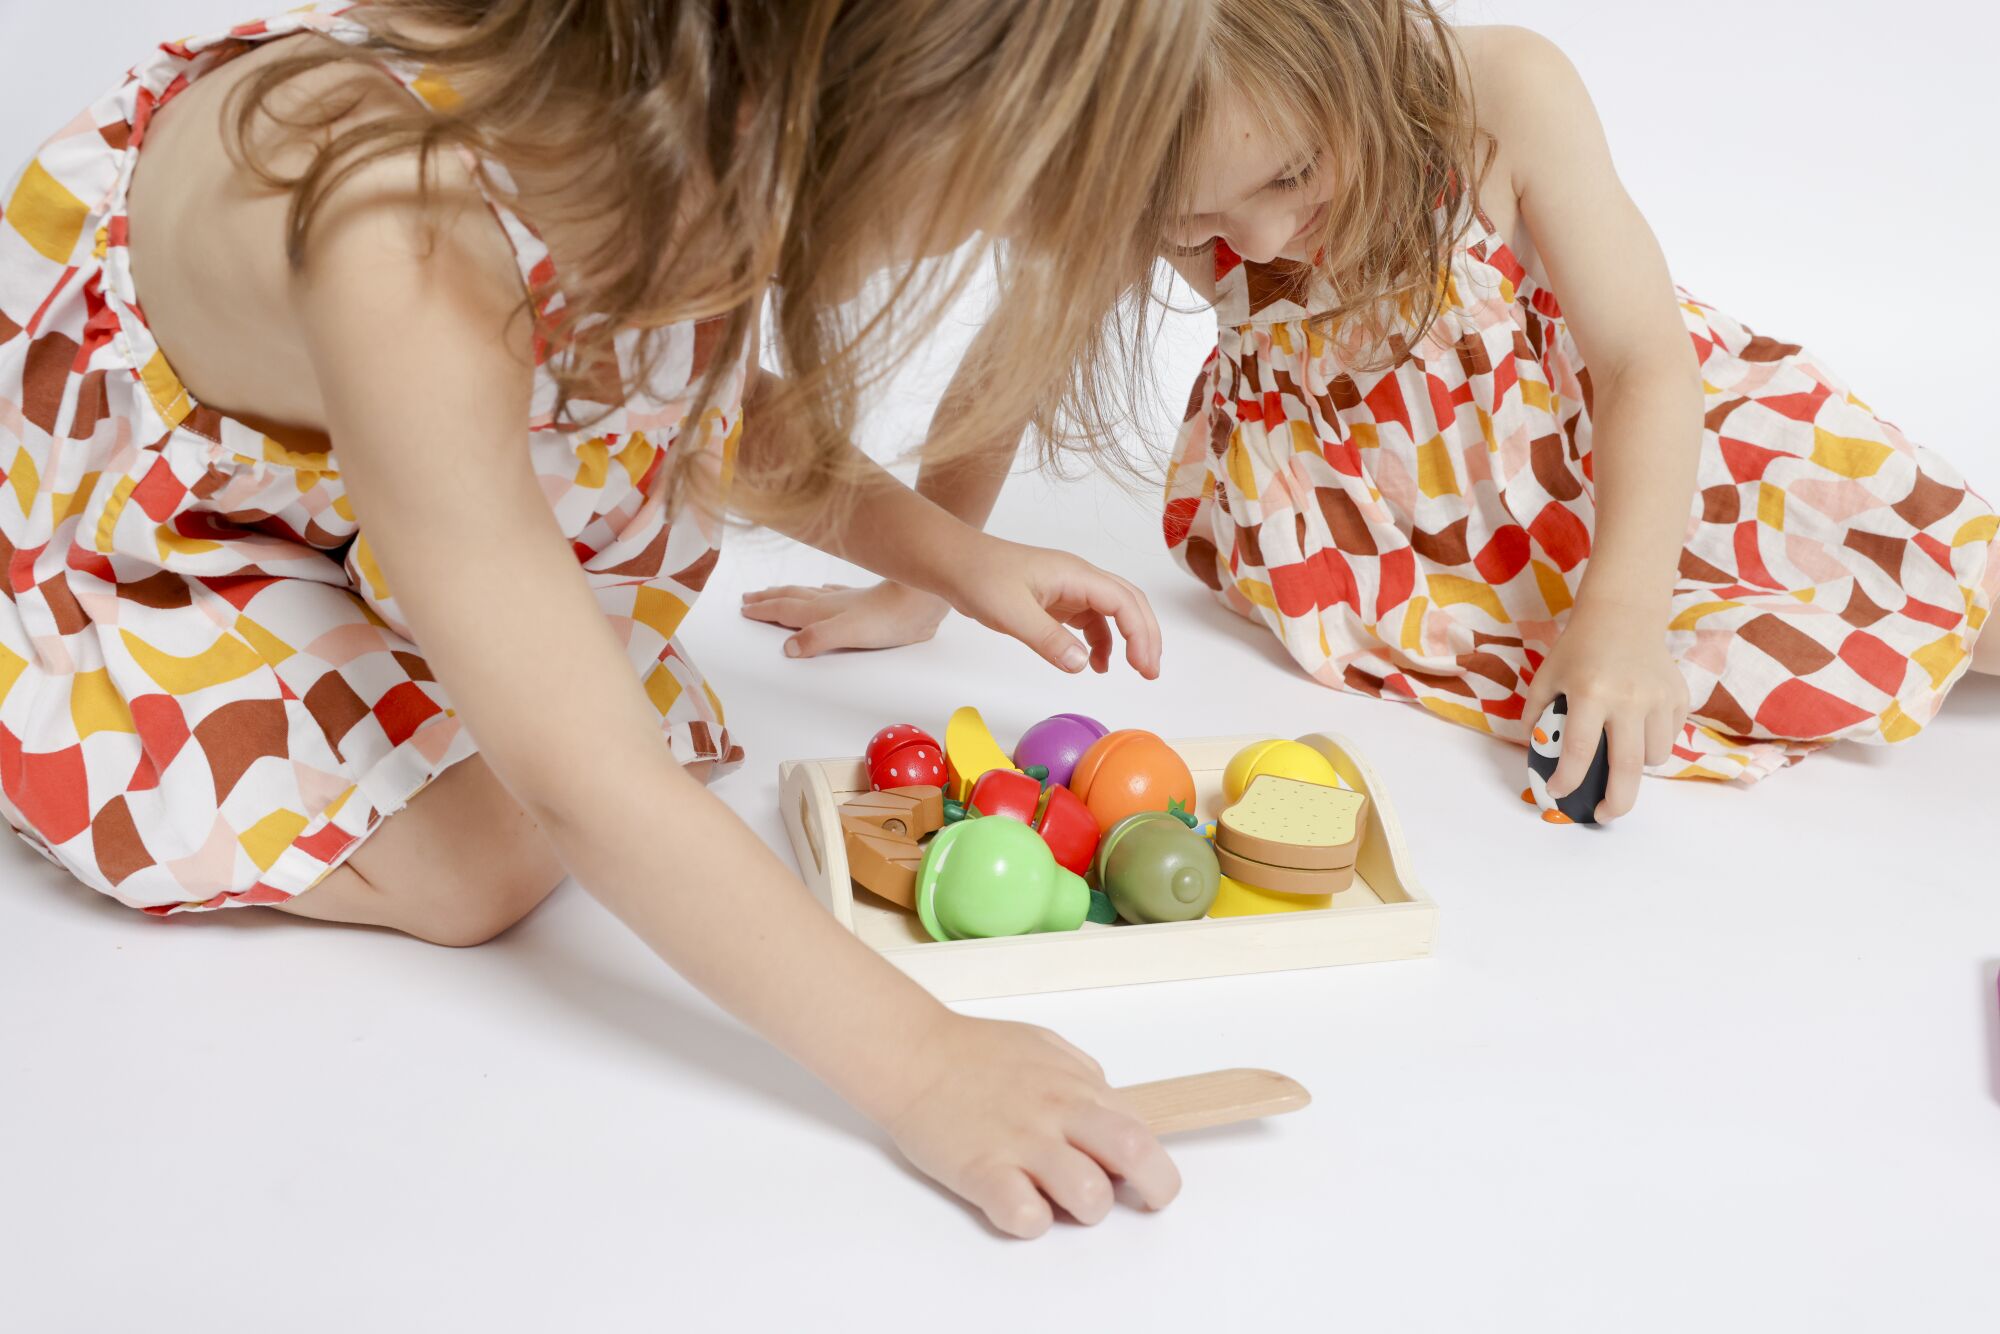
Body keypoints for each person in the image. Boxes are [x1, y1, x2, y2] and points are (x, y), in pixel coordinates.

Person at [0, 0, 1205, 1237]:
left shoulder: (670, 125)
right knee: (483, 864)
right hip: (153, 523)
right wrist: (922, 1062)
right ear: (828, 111)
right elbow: (585, 781)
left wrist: (951, 555)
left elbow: (714, 401)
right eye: (988, 198)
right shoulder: (398, 235)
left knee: (576, 731)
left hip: (354, 468)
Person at [750, 1, 2000, 823]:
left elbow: (1640, 368)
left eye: (1293, 176)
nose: (1262, 239)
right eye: (1197, 228)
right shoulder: (1153, 156)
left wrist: (1619, 613)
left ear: (1361, 51)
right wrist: (924, 579)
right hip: (1382, 532)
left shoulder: (1497, 88)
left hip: (1614, 453)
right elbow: (1005, 366)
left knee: (1926, 594)